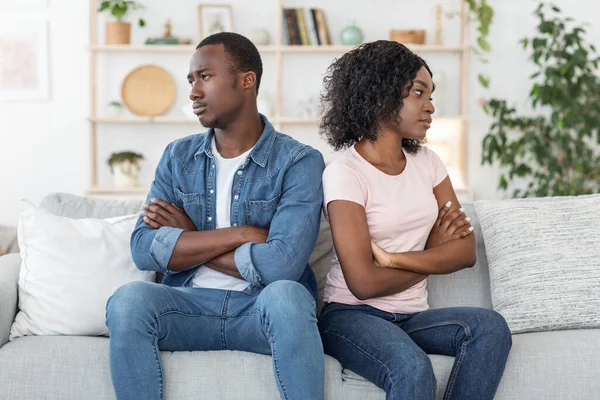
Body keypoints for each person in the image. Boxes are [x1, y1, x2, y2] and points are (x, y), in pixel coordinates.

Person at [105, 32, 325, 400]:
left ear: (246, 80)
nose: (192, 91)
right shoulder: (178, 157)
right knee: (128, 301)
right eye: (191, 80)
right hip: (188, 306)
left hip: (260, 311)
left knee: (288, 295)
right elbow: (143, 247)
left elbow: (281, 266)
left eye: (205, 77)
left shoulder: (298, 161)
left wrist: (189, 237)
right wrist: (241, 234)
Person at [317, 40, 512, 400]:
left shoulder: (429, 164)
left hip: (412, 316)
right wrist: (434, 251)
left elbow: (465, 250)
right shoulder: (344, 172)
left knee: (490, 328)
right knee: (412, 367)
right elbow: (362, 282)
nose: (431, 106)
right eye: (419, 93)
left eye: (430, 94)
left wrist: (396, 259)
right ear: (380, 96)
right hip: (350, 317)